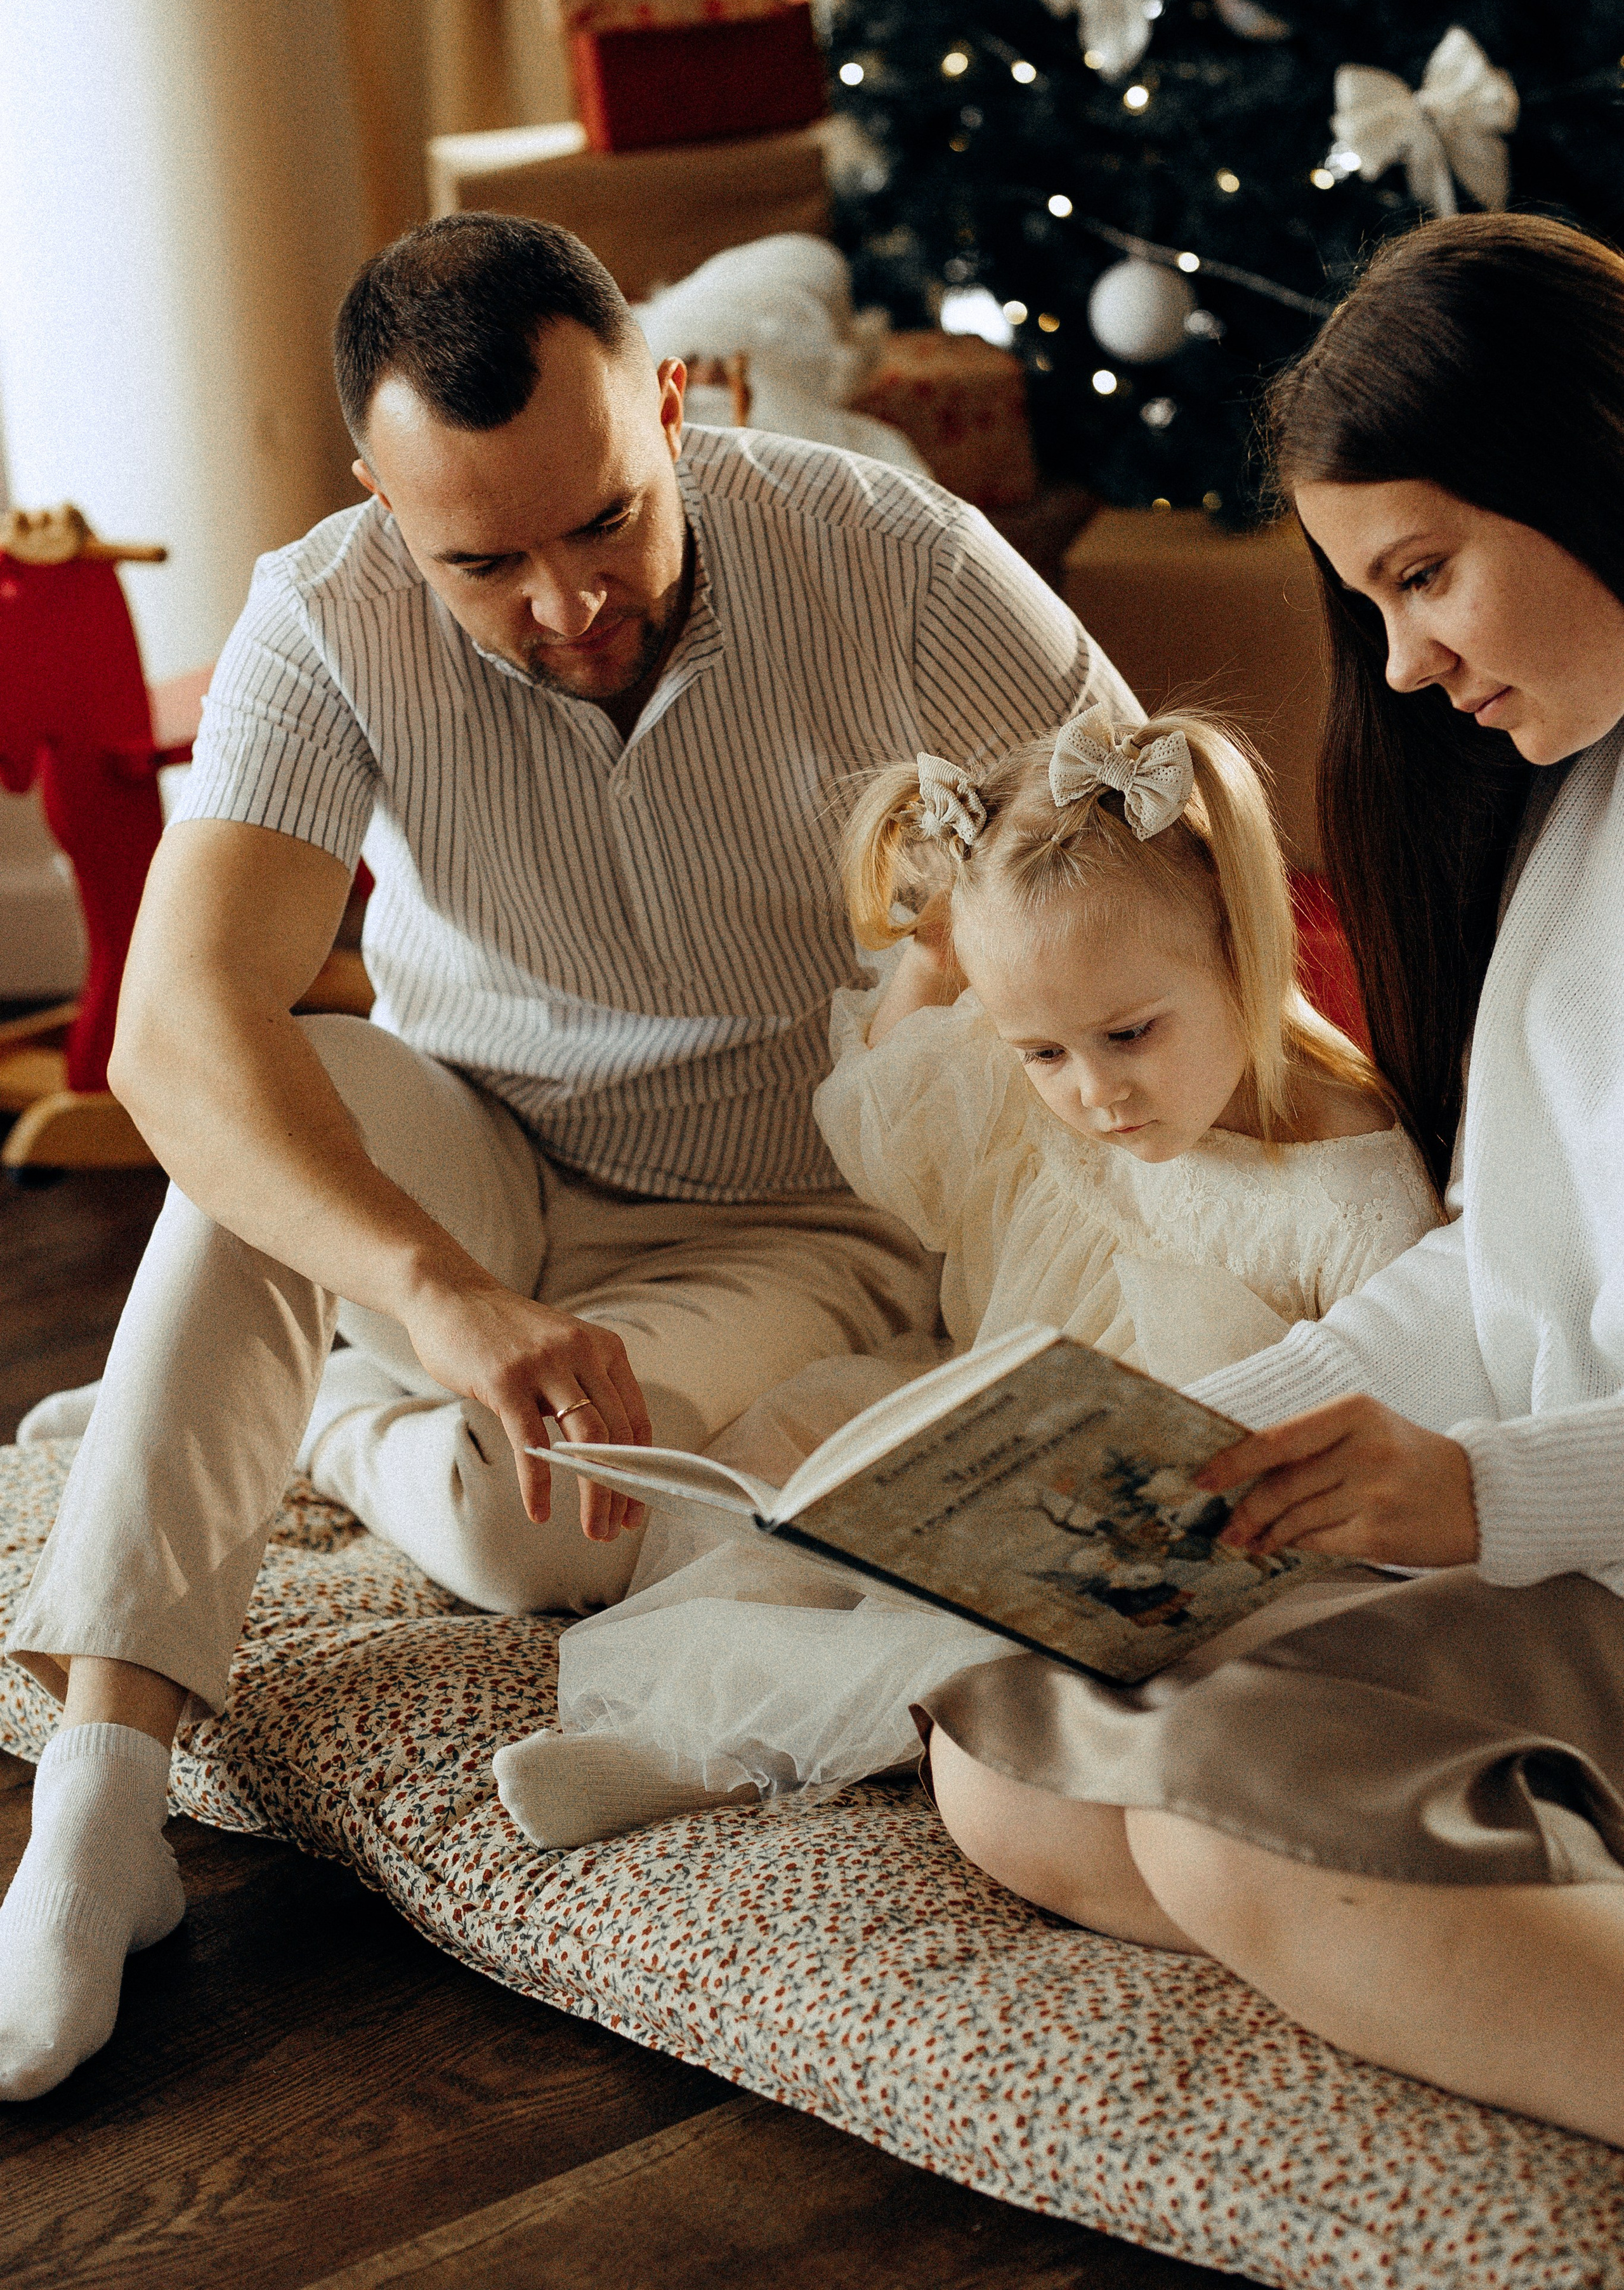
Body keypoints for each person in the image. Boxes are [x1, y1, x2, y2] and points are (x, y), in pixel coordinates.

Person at [0, 213, 1136, 2101]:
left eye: (604, 517)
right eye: (485, 561)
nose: (567, 600)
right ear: (377, 497)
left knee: (542, 1534)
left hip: (794, 1211)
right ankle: (104, 1806)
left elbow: (1149, 843)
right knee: (249, 1104)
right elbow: (174, 1031)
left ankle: (314, 1422)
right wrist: (440, 1292)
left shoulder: (897, 555)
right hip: (479, 1152)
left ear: (668, 405)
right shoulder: (324, 610)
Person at [920, 211, 1624, 2151]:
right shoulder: (1573, 804)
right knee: (1011, 1749)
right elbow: (1505, 1279)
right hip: (1562, 1537)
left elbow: (1514, 1407)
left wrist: (1483, 1495)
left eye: (1427, 576)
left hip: (1584, 1537)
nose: (1403, 667)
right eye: (1369, 600)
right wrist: (1171, 1450)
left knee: (1229, 1822)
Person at [491, 706, 1436, 1852]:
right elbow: (895, 1134)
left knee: (980, 1639)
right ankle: (682, 1712)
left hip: (1165, 1535)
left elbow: (1405, 1420)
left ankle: (713, 1758)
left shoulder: (1349, 1185)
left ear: (1246, 946)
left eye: (1131, 1035)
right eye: (1043, 1052)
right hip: (992, 1420)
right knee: (790, 1463)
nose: (1092, 1092)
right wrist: (934, 962)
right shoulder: (1043, 1058)